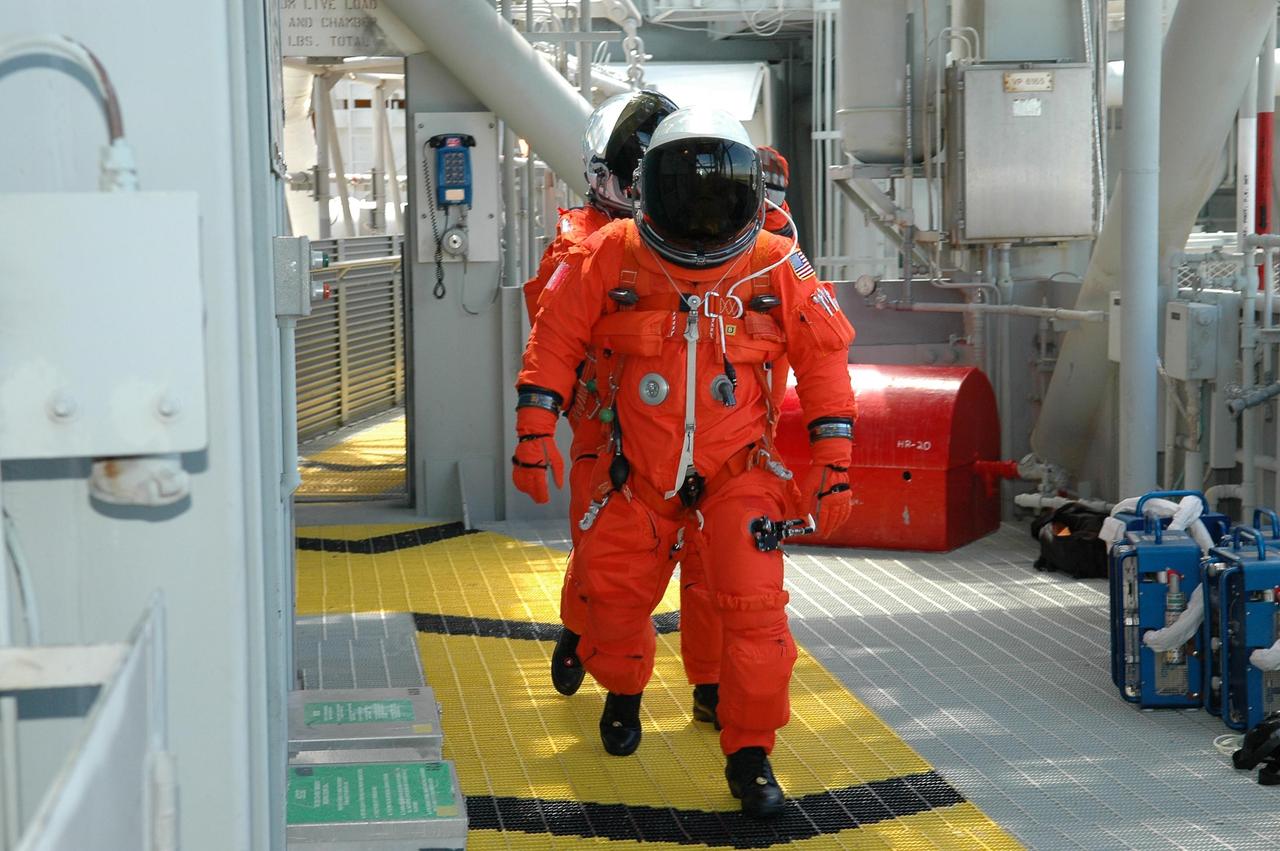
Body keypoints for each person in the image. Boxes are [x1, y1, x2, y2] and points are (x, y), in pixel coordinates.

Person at [511, 107, 856, 818]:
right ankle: (625, 689)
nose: (702, 219)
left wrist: (836, 456)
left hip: (738, 474)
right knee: (612, 595)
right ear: (650, 192)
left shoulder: (773, 262)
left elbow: (823, 355)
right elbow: (557, 334)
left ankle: (751, 753)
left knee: (756, 616)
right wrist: (535, 426)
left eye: (717, 198)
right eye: (685, 196)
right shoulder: (611, 251)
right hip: (634, 468)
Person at [521, 91, 723, 722]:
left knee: (717, 562)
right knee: (605, 553)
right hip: (610, 433)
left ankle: (714, 685)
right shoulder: (584, 248)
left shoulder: (724, 236)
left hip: (707, 432)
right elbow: (552, 330)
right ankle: (586, 635)